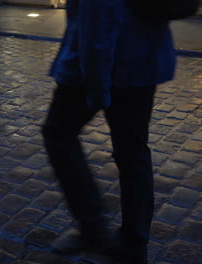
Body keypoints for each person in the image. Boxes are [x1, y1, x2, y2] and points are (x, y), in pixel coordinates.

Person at [42, 0, 179, 263]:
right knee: (133, 152)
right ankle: (134, 243)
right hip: (142, 59)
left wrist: (96, 83)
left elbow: (99, 17)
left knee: (58, 133)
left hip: (104, 59)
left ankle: (92, 227)